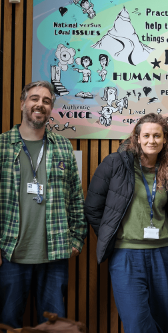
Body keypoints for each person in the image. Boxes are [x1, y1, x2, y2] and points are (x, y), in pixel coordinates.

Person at [84, 113, 168, 333]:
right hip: (126, 254)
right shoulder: (115, 164)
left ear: (165, 139)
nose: (152, 140)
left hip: (162, 253)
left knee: (163, 320)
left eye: (157, 136)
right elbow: (92, 207)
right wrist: (111, 234)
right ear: (137, 138)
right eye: (146, 135)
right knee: (137, 323)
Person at [0, 81, 86, 327]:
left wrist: (77, 241)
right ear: (22, 104)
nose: (40, 104)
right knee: (8, 324)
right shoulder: (2, 146)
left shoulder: (62, 147)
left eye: (46, 101)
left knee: (53, 326)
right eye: (34, 99)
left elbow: (75, 199)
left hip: (55, 255)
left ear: (51, 109)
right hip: (10, 254)